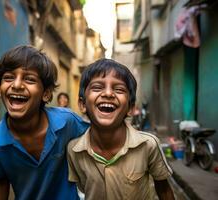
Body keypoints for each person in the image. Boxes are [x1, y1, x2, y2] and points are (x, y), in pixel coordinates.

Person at [0, 45, 89, 200]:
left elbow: (97, 138)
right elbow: (2, 181)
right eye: (9, 77)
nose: (16, 85)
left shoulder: (66, 122)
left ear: (46, 93)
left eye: (29, 79)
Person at [67, 58, 175, 200]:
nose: (108, 94)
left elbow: (164, 191)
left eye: (119, 89)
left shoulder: (148, 145)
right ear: (82, 104)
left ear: (130, 108)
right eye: (97, 87)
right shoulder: (74, 150)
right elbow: (83, 188)